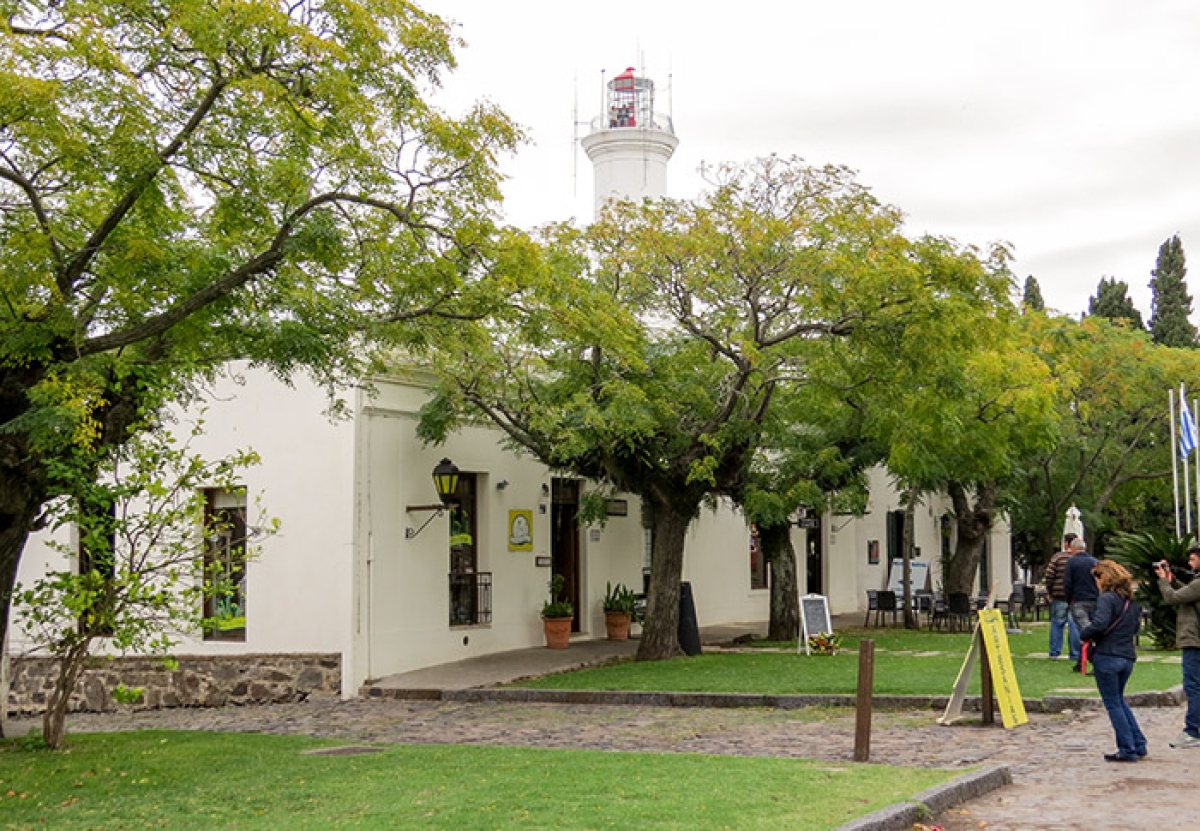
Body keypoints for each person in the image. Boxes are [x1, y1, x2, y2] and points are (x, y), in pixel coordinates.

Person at [1080, 560, 1146, 762]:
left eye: (1097, 579)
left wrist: (1085, 633)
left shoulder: (1107, 599)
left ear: (1103, 578)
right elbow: (1134, 629)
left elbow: (1100, 624)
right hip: (1127, 656)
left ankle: (1127, 748)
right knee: (1119, 700)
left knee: (1113, 704)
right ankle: (1138, 743)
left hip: (1108, 656)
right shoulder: (1131, 602)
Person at [1154, 546, 1200, 749]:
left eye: (1192, 560)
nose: (1190, 564)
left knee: (1193, 686)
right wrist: (1171, 579)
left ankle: (1192, 731)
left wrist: (1163, 580)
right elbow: (1186, 593)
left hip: (1194, 641)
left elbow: (1172, 598)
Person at [1062, 537, 1099, 672]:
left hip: (1078, 601)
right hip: (1095, 600)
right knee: (1093, 631)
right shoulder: (1095, 562)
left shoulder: (1072, 563)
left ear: (1073, 549)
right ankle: (1080, 662)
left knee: (1084, 632)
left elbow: (1067, 583)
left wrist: (1068, 599)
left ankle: (1096, 661)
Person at [1042, 533, 1077, 659]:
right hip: (1075, 597)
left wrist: (1050, 591)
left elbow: (1049, 576)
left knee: (1057, 623)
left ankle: (1054, 652)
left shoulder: (1058, 558)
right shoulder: (1078, 558)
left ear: (1066, 543)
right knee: (1074, 625)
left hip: (1059, 596)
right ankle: (1075, 653)